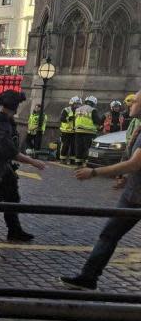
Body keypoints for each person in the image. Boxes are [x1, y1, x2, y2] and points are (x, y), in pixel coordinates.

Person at [61, 91, 141, 290]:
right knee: (109, 234)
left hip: (136, 196)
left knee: (109, 235)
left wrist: (94, 172)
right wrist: (128, 179)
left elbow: (134, 164)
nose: (130, 104)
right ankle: (88, 276)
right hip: (133, 193)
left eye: (135, 101)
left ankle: (89, 276)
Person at [0, 90, 46, 241]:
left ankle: (14, 230)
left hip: (2, 165)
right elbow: (8, 150)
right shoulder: (1, 122)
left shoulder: (4, 120)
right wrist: (33, 162)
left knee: (11, 195)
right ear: (14, 106)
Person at [73, 96, 101, 166]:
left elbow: (74, 120)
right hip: (89, 132)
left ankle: (78, 162)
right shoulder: (92, 110)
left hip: (78, 131)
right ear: (94, 103)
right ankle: (86, 163)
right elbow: (97, 121)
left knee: (79, 147)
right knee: (87, 148)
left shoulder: (78, 109)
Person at [59, 97, 81, 164]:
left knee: (74, 146)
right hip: (66, 131)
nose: (77, 105)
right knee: (65, 145)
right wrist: (69, 118)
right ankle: (63, 159)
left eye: (78, 104)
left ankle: (72, 160)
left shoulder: (79, 111)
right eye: (76, 104)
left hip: (75, 131)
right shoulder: (66, 110)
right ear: (72, 103)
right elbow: (62, 119)